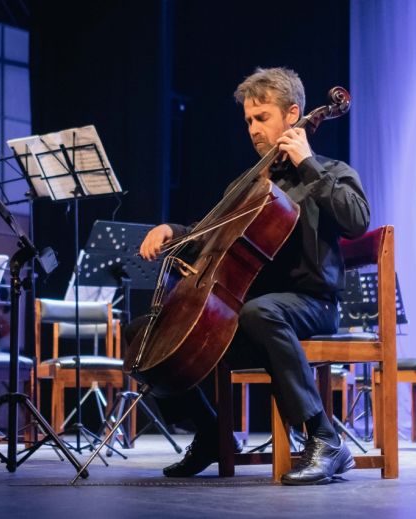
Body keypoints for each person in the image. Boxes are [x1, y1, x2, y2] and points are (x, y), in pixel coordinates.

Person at [128, 67, 370, 485]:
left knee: (261, 312)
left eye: (262, 118)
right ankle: (211, 433)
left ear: (293, 114)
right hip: (251, 314)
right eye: (247, 121)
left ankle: (324, 439)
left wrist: (307, 164)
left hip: (312, 305)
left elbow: (357, 220)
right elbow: (213, 238)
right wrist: (174, 233)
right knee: (143, 334)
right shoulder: (249, 185)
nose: (253, 130)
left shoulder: (330, 170)